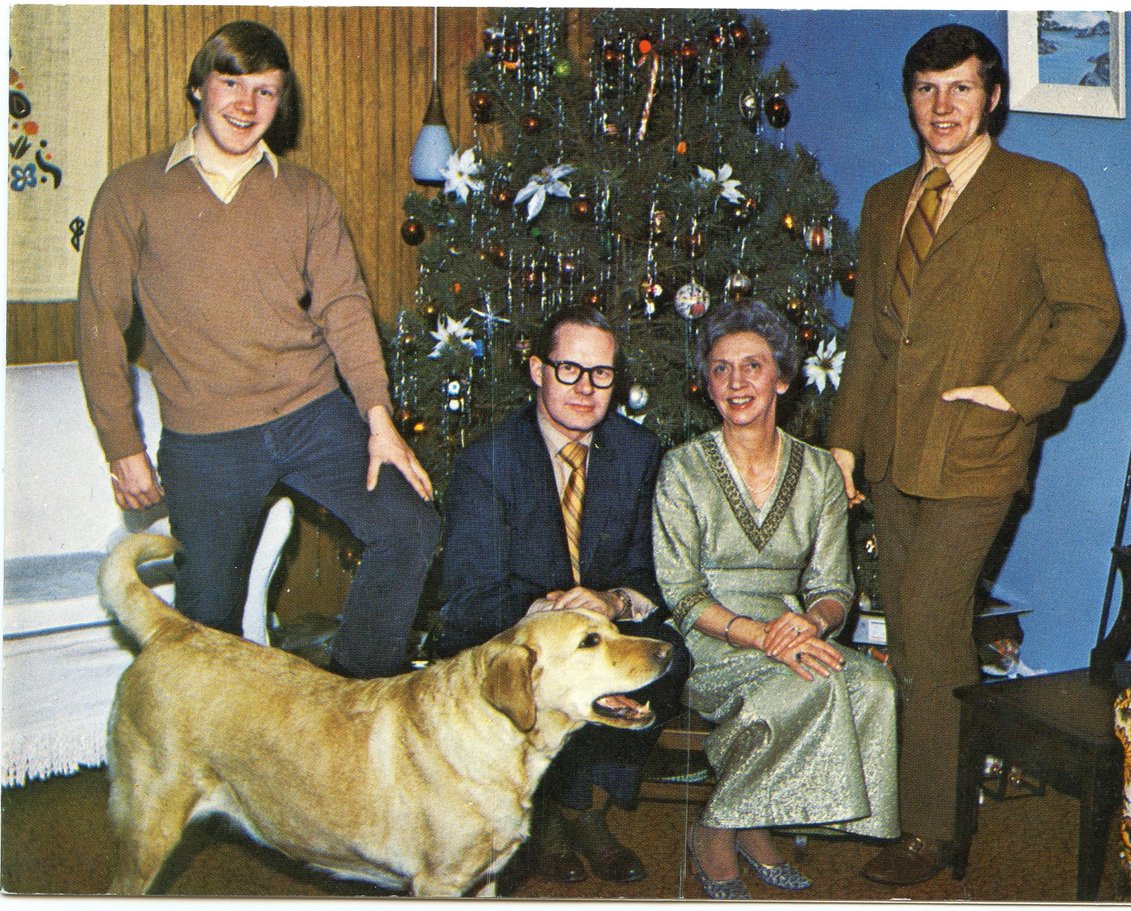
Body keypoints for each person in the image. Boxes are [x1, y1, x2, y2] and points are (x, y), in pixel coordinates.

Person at [826, 24, 1120, 886]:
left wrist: (1016, 392)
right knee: (916, 630)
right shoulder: (887, 198)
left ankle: (934, 828)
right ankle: (930, 794)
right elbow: (869, 336)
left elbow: (1093, 314)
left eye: (960, 88)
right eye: (926, 89)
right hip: (893, 449)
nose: (942, 107)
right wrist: (843, 441)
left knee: (928, 621)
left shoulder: (1043, 191)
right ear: (909, 99)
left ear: (992, 96)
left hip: (978, 449)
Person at [75, 20, 441, 680]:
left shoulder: (306, 194)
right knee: (205, 627)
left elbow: (344, 307)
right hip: (206, 438)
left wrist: (378, 420)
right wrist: (122, 446)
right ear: (198, 87)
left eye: (266, 91)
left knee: (409, 526)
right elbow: (100, 323)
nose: (247, 106)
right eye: (232, 85)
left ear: (281, 102)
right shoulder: (133, 192)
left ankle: (353, 696)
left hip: (311, 412)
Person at [435, 306, 690, 887]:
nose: (584, 388)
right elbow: (470, 593)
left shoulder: (638, 452)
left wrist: (612, 602)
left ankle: (586, 813)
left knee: (668, 656)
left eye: (601, 374)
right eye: (569, 369)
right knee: (550, 667)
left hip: (602, 624)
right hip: (513, 629)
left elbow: (656, 570)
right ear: (537, 370)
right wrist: (549, 615)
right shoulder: (488, 460)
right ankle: (547, 814)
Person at [653, 300, 899, 900]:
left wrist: (810, 623)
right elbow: (681, 594)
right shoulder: (681, 469)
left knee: (874, 686)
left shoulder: (819, 472)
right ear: (707, 383)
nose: (736, 382)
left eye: (753, 366)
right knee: (806, 688)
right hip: (712, 637)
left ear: (782, 378)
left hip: (792, 629)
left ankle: (746, 819)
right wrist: (760, 635)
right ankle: (715, 828)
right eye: (721, 368)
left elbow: (835, 588)